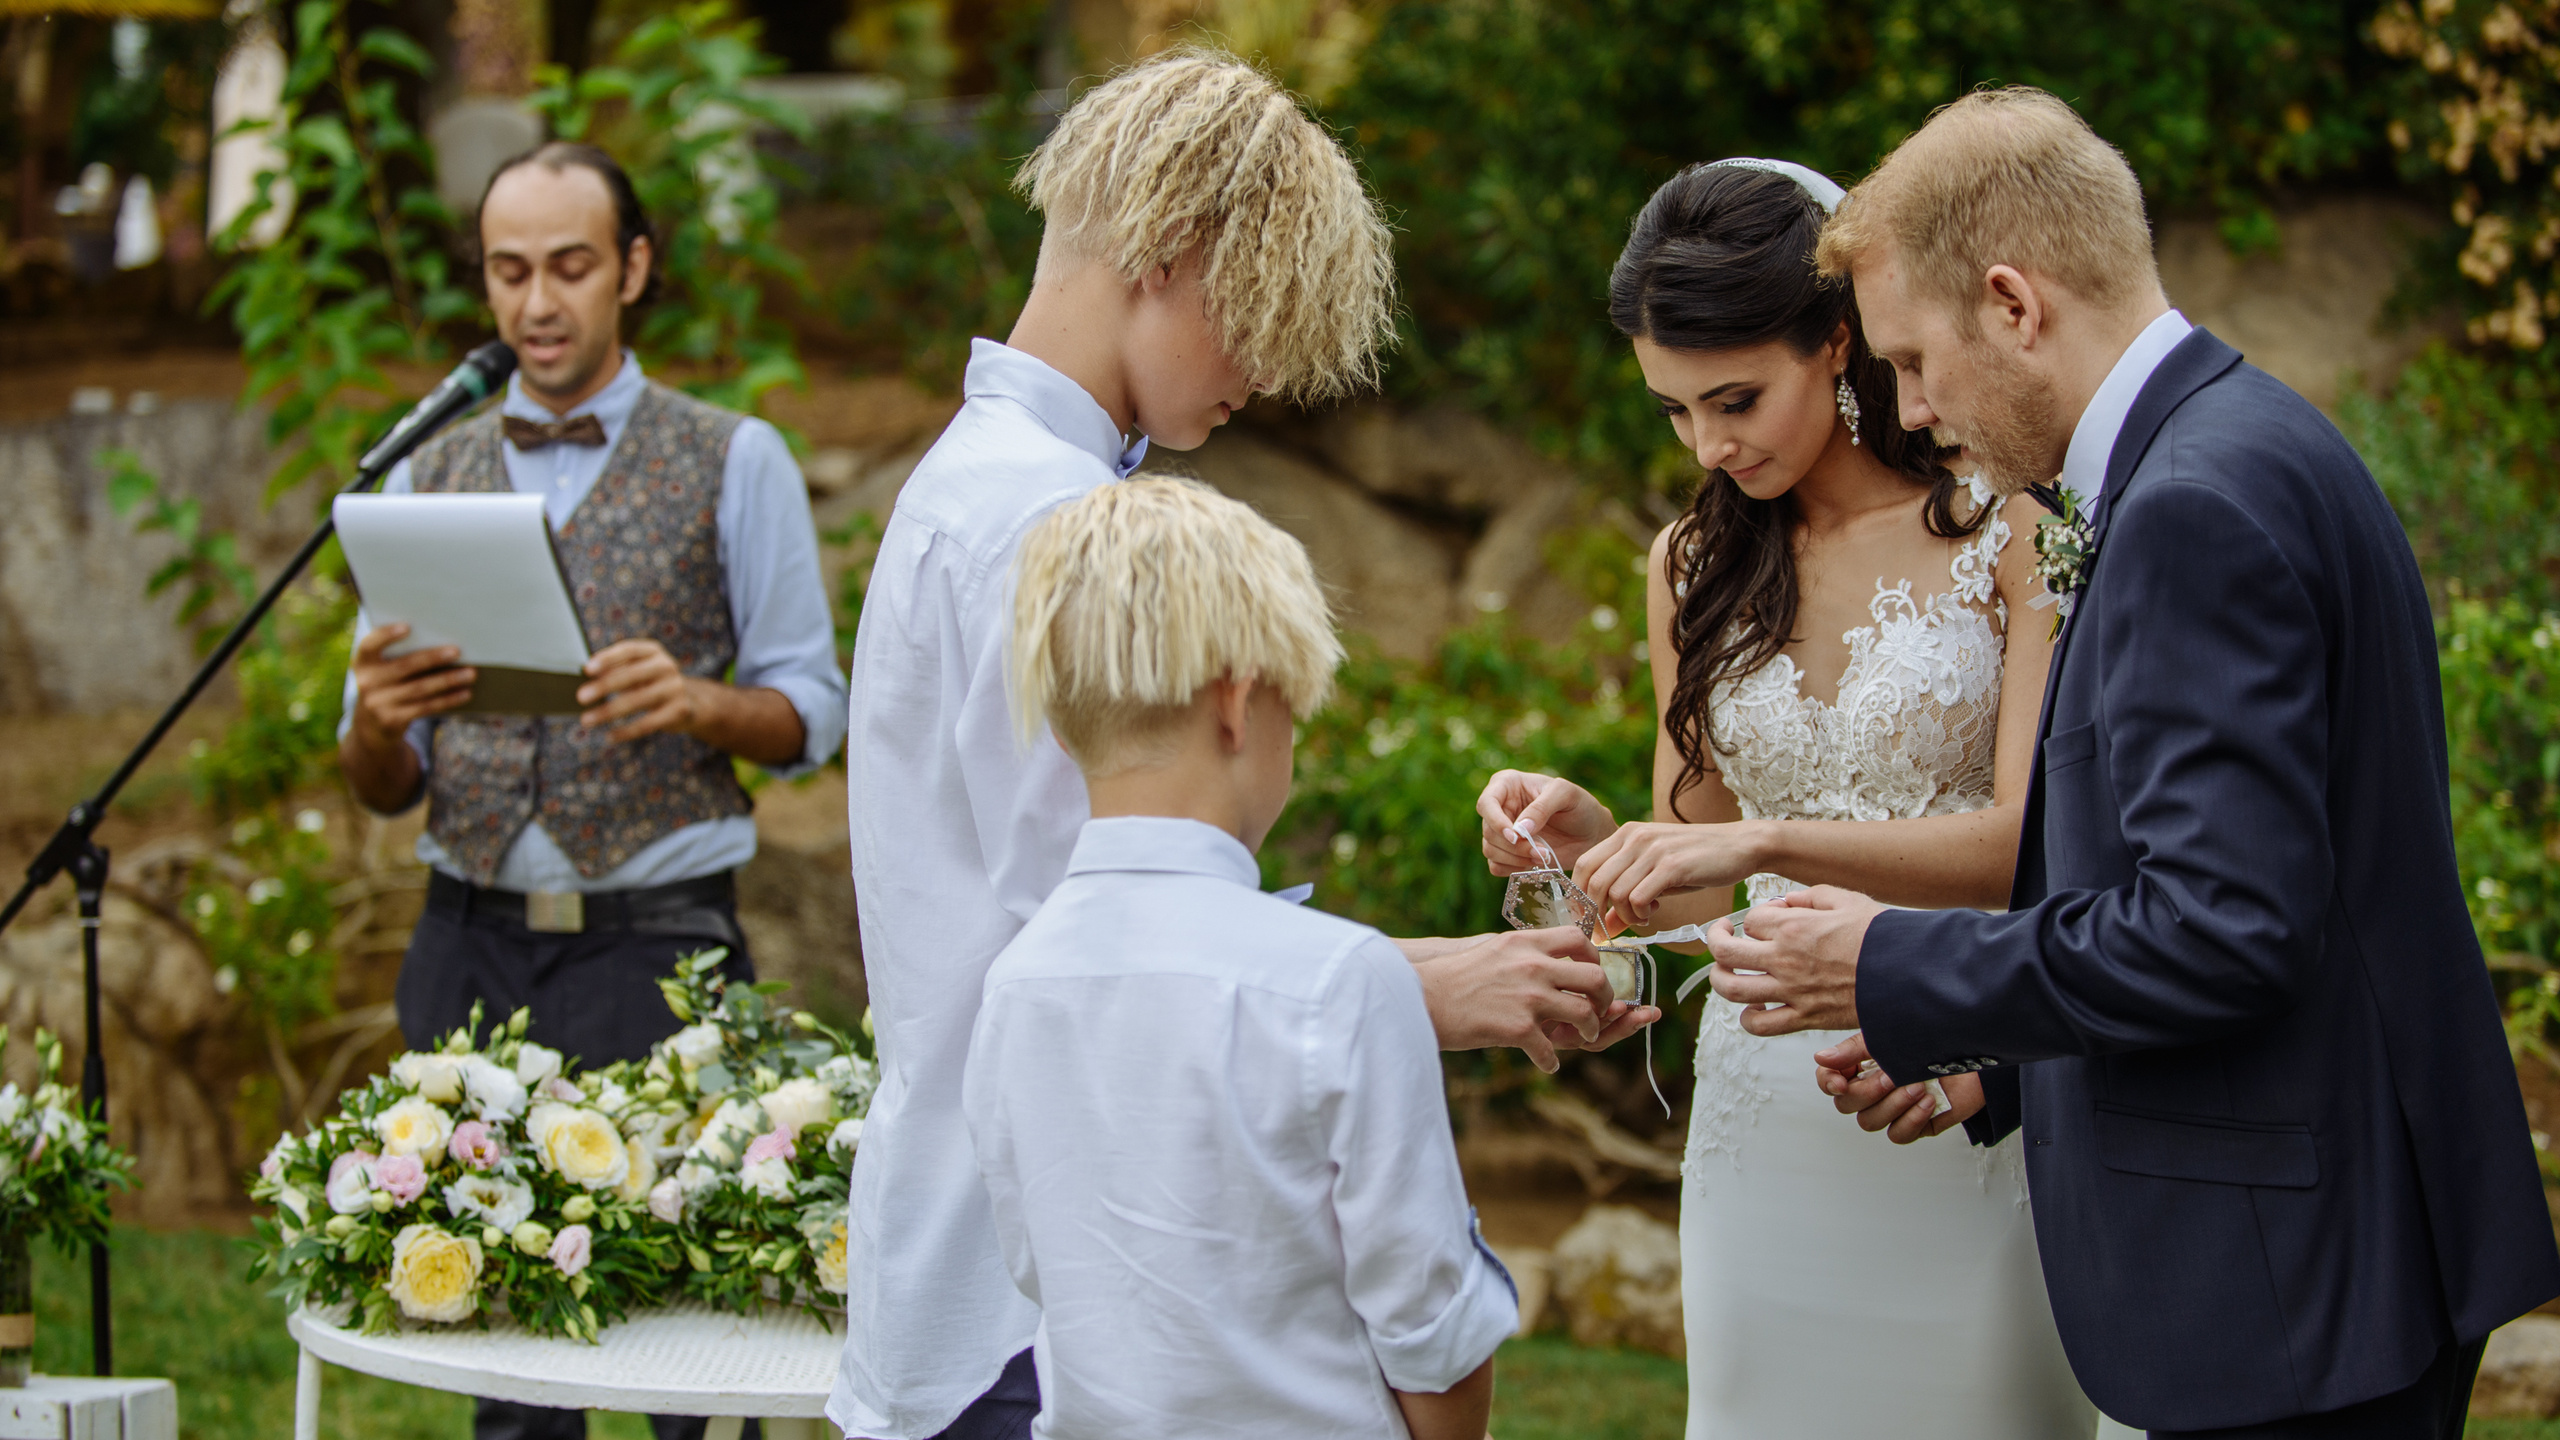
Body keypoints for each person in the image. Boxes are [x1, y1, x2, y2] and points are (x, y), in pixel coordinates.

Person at [1705, 88, 2560, 1438]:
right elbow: (2281, 890)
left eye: (1918, 363)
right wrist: (1998, 1067)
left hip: (2291, 1279)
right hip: (2336, 1230)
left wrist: (1886, 964)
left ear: (2014, 305)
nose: (1913, 411)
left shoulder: (2190, 511)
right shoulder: (2250, 441)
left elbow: (2226, 931)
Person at [832, 49, 1645, 1440]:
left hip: (1000, 1266)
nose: (1266, 376)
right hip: (1036, 1317)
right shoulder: (1043, 522)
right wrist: (1421, 992)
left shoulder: (986, 482)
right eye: (1256, 316)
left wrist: (1411, 981)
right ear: (1168, 246)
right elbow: (1119, 960)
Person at [1476, 158, 2103, 1439]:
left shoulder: (2010, 530)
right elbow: (1703, 856)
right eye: (1673, 411)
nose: (1709, 445)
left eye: (1735, 398)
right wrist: (1606, 842)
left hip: (1945, 1067)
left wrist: (1765, 838)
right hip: (1765, 1104)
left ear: (1836, 340)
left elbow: (2026, 849)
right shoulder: (1691, 564)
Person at [336, 142, 843, 1440]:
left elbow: (813, 715)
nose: (536, 304)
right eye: (509, 273)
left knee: (690, 1338)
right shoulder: (416, 471)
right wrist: (381, 725)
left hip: (657, 947)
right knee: (501, 1341)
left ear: (633, 268)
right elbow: (378, 780)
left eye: (569, 267)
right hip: (468, 946)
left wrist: (699, 702)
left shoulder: (737, 460)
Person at [966, 477, 1518, 1440]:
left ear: (1062, 725)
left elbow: (1034, 1266)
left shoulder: (1013, 986)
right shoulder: (1341, 980)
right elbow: (1430, 1324)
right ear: (1239, 703)